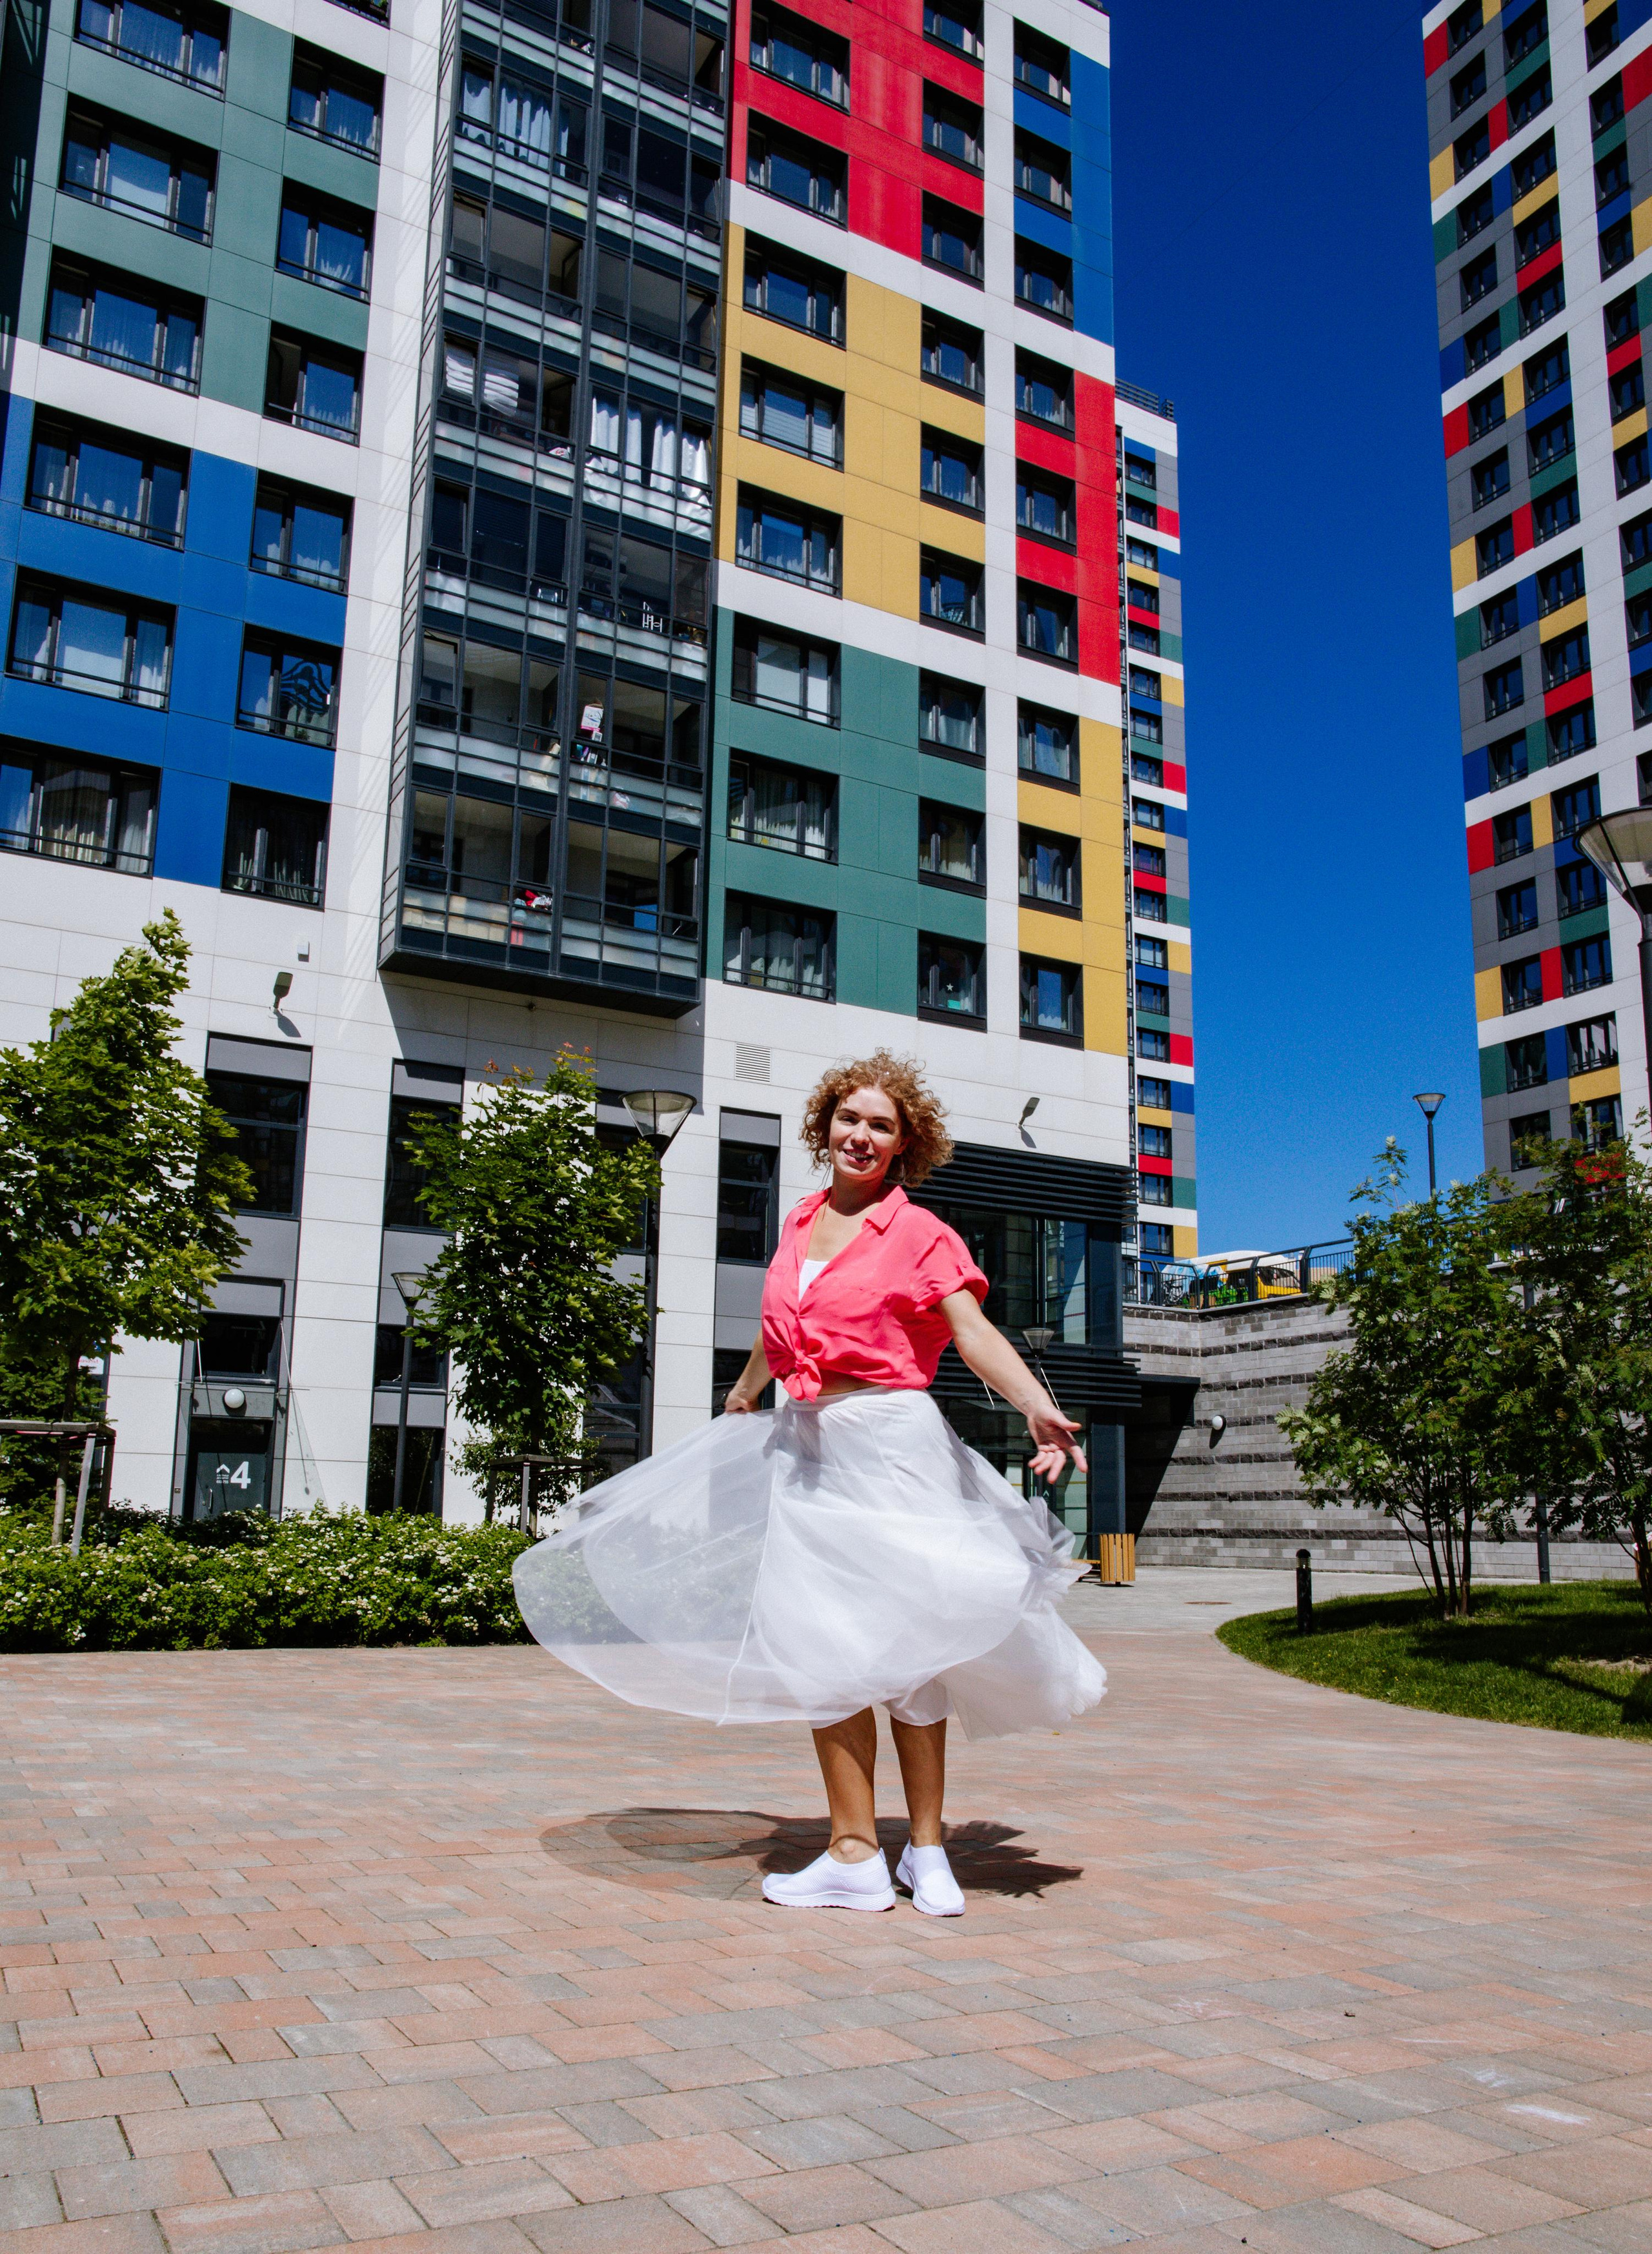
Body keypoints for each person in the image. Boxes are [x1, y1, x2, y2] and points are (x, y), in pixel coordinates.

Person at [512, 1050, 1106, 1919]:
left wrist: (1037, 1407)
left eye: (881, 1126)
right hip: (807, 1449)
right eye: (849, 1119)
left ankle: (929, 1850)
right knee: (823, 1651)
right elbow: (782, 1323)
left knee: (914, 1652)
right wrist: (751, 1385)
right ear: (825, 1126)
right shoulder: (801, 1224)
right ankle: (855, 1853)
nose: (860, 1136)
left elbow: (973, 1332)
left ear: (905, 1145)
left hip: (892, 1450)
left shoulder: (920, 1234)